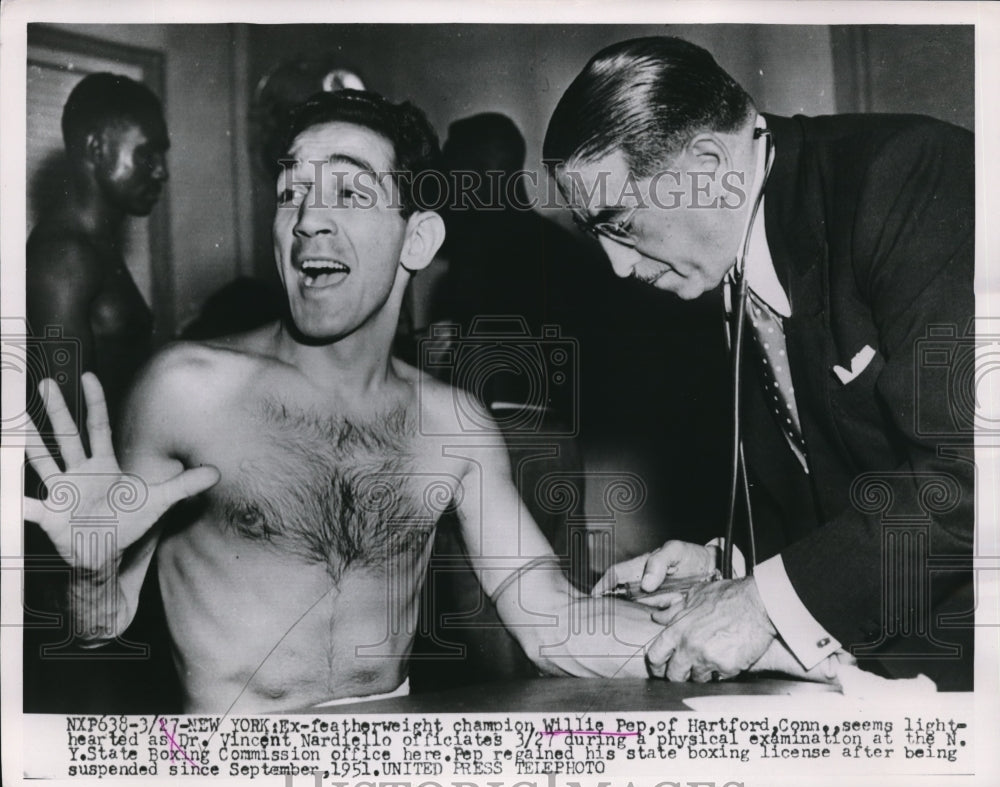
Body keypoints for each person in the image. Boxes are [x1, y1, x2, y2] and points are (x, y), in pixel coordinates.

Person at [24, 90, 725, 714]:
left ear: (417, 237)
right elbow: (99, 624)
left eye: (350, 195)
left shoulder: (453, 424)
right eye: (292, 192)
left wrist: (744, 631)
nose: (307, 222)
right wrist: (89, 570)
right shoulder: (186, 390)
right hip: (236, 777)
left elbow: (551, 620)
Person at [543, 37, 974, 688]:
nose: (617, 266)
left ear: (710, 163)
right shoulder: (719, 260)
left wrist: (763, 602)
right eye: (593, 235)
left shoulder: (906, 174)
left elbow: (968, 482)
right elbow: (838, 482)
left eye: (622, 223)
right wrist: (731, 572)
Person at [27, 72, 169, 423]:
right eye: (147, 154)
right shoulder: (64, 256)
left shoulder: (94, 245)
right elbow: (63, 429)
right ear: (97, 149)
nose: (162, 172)